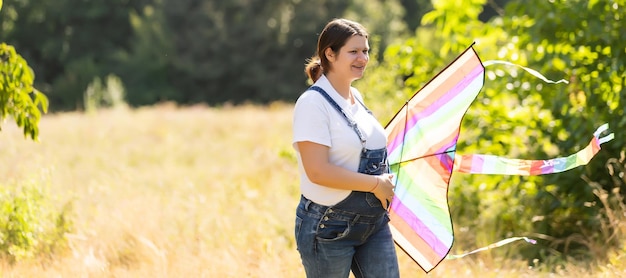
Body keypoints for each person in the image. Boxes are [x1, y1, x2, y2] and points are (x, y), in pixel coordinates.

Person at [292, 18, 399, 278]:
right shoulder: (312, 104)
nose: (362, 58)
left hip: (373, 223)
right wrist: (375, 185)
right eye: (353, 51)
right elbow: (317, 172)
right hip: (328, 226)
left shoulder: (357, 97)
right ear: (330, 53)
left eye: (365, 51)